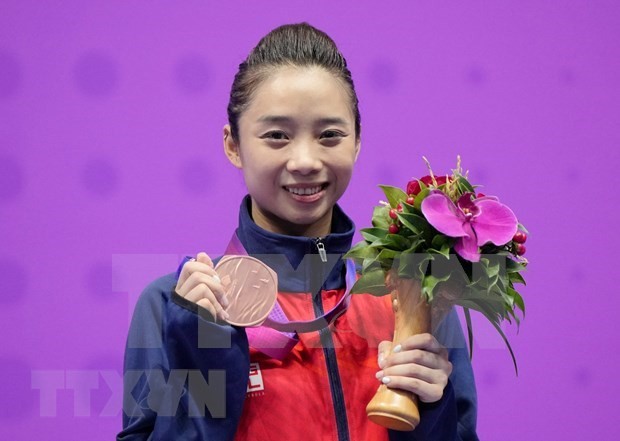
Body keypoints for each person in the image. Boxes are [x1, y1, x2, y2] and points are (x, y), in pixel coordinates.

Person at [117, 23, 479, 441]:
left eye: (329, 135)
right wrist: (205, 378)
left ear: (357, 141)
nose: (305, 160)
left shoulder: (412, 297)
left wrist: (432, 415)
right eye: (277, 136)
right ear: (232, 144)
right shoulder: (177, 306)